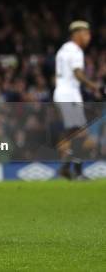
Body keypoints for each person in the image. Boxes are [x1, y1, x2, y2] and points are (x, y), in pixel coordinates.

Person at [53, 21, 101, 180]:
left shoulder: (63, 50)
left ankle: (67, 169)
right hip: (69, 95)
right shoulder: (76, 51)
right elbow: (77, 73)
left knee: (74, 134)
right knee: (82, 135)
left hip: (61, 94)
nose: (88, 37)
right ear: (77, 34)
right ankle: (75, 171)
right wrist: (94, 86)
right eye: (86, 33)